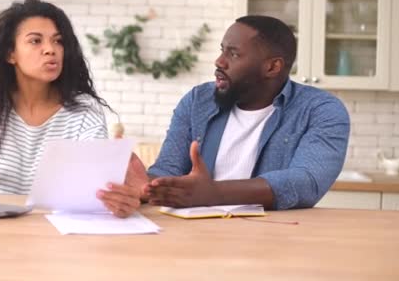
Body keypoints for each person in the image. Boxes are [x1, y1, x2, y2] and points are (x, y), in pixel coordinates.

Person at [132, 15, 350, 210]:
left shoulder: (320, 110)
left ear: (272, 67)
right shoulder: (197, 101)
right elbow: (168, 169)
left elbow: (305, 182)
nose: (219, 61)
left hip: (274, 238)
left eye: (233, 54)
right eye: (222, 50)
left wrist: (213, 194)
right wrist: (141, 187)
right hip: (195, 234)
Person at [0, 0, 141, 217]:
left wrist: (120, 196)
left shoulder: (85, 111)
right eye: (35, 41)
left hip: (61, 234)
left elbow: (92, 193)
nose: (50, 50)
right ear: (10, 53)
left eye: (58, 41)